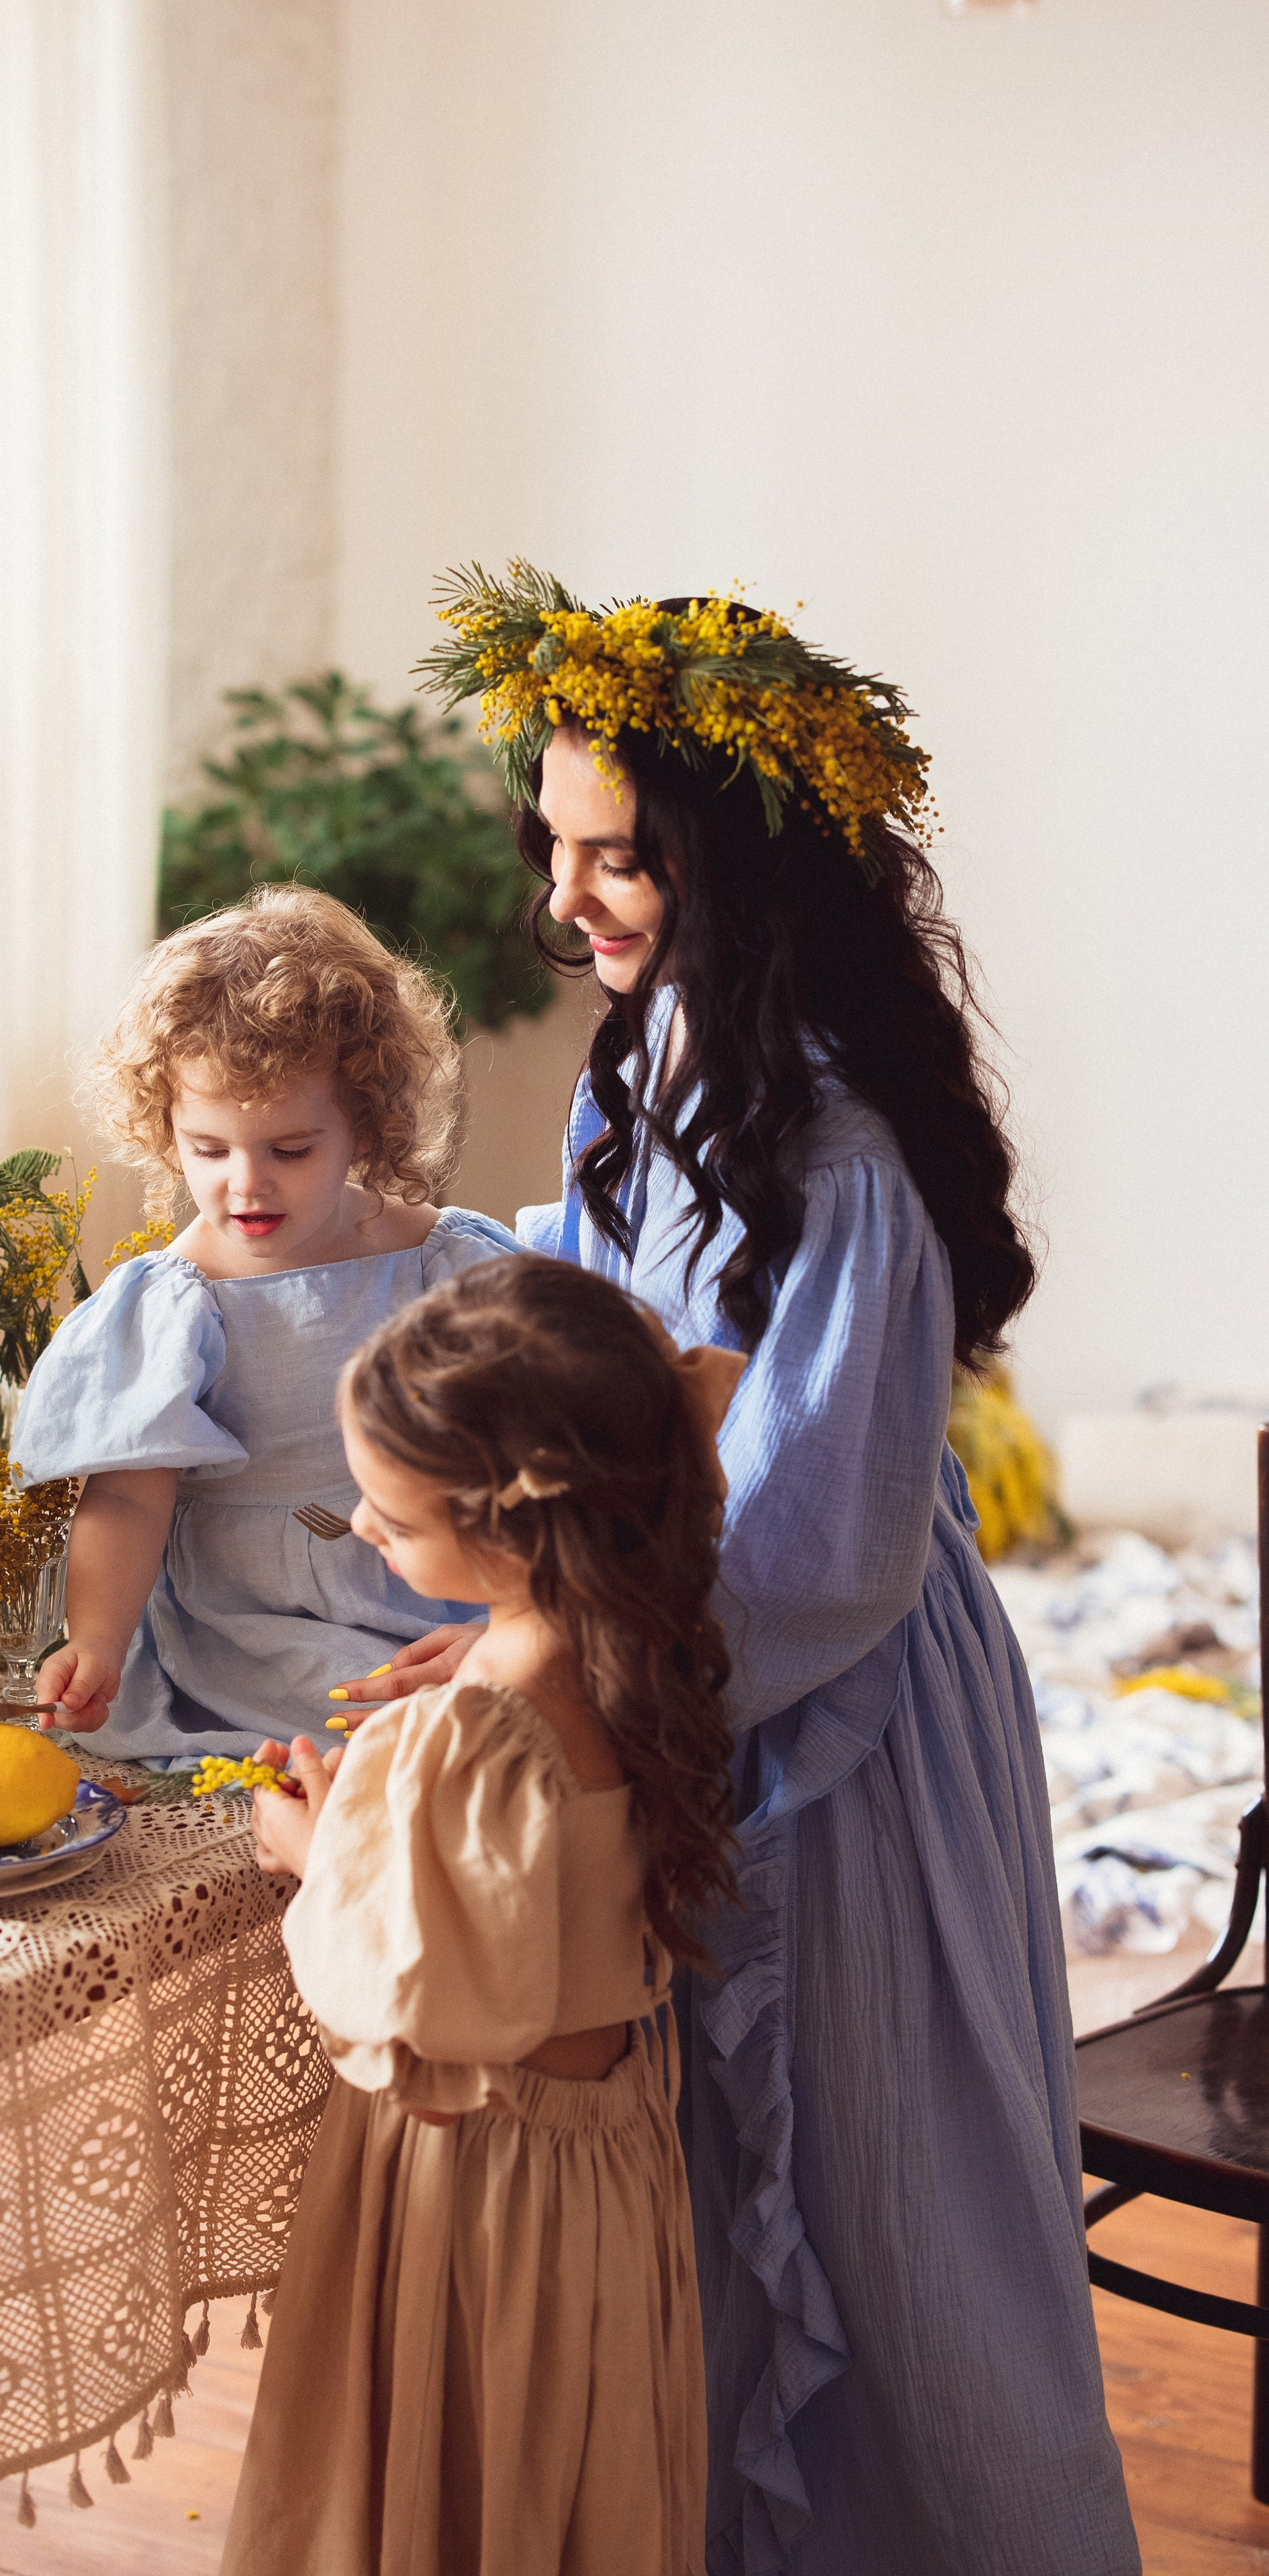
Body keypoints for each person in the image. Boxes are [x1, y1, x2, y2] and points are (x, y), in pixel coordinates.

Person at [335, 569, 1140, 2575]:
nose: (570, 899)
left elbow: (818, 1546)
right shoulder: (647, 1065)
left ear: (743, 868)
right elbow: (619, 1349)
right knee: (728, 2209)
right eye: (562, 846)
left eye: (624, 855)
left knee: (897, 2211)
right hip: (693, 1668)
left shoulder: (843, 1158)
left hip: (839, 1723)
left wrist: (573, 1669)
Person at [222, 1254, 745, 2576]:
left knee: (470, 2481)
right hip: (609, 2164)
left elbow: (418, 1998)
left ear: (509, 1525)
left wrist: (311, 1846)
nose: (364, 1525)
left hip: (485, 2182)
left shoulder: (478, 1720)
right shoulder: (630, 1630)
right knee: (571, 2480)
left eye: (389, 1517)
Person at [10, 883, 518, 1760]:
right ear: (165, 1127)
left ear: (363, 1123)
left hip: (439, 1605)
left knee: (489, 1732)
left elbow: (537, 1467)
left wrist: (515, 1624)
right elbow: (130, 1493)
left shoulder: (449, 1266)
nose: (246, 1185)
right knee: (383, 1748)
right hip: (253, 1636)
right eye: (209, 1149)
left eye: (291, 1150)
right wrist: (93, 1639)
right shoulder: (178, 1302)